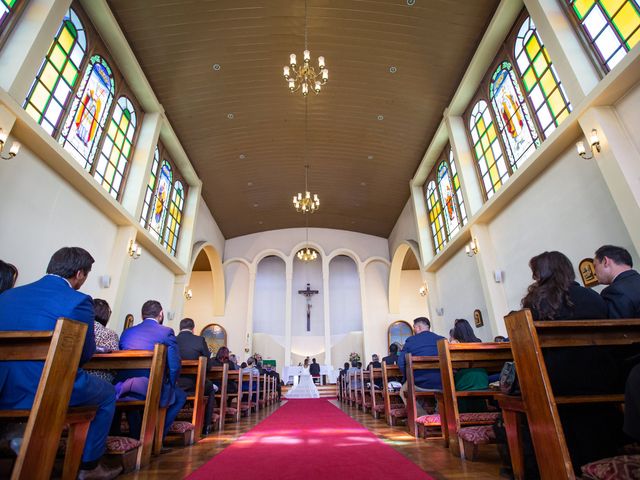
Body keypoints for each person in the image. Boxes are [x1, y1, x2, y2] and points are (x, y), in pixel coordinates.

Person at [0, 247, 119, 479]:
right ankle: (89, 466)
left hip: (4, 387)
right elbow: (83, 354)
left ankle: (19, 434)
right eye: (85, 276)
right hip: (47, 387)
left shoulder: (8, 296)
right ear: (79, 273)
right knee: (106, 393)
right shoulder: (78, 301)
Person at [521, 251, 623, 470]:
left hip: (556, 381)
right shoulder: (594, 297)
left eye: (535, 273)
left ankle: (538, 463)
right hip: (601, 380)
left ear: (542, 273)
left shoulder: (536, 301)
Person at [117, 300, 187, 442]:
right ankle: (155, 436)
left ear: (142, 315)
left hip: (123, 386)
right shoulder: (166, 332)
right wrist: (171, 384)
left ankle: (137, 436)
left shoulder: (127, 332)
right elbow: (174, 365)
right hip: (150, 385)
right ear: (161, 314)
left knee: (133, 400)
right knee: (179, 396)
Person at [176, 317, 217, 435]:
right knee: (210, 389)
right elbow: (208, 365)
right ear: (193, 329)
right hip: (194, 383)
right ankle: (206, 425)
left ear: (180, 328)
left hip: (175, 383)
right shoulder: (199, 340)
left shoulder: (172, 339)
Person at [397, 317, 444, 416]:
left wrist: (408, 378)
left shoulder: (411, 340)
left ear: (417, 327)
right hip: (443, 382)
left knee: (403, 391)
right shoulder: (442, 339)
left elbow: (401, 362)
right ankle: (439, 415)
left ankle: (422, 417)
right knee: (444, 391)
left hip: (420, 383)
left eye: (414, 327)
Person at [450, 319, 488, 413]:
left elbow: (452, 366)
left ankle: (458, 414)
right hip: (482, 380)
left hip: (465, 382)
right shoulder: (479, 342)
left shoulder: (455, 344)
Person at [594, 245, 640, 318]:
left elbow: (616, 328)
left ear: (605, 261)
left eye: (595, 266)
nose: (594, 272)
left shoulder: (614, 291)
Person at [87, 298, 119, 383]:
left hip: (74, 374)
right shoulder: (110, 334)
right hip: (98, 378)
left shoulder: (80, 327)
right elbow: (115, 363)